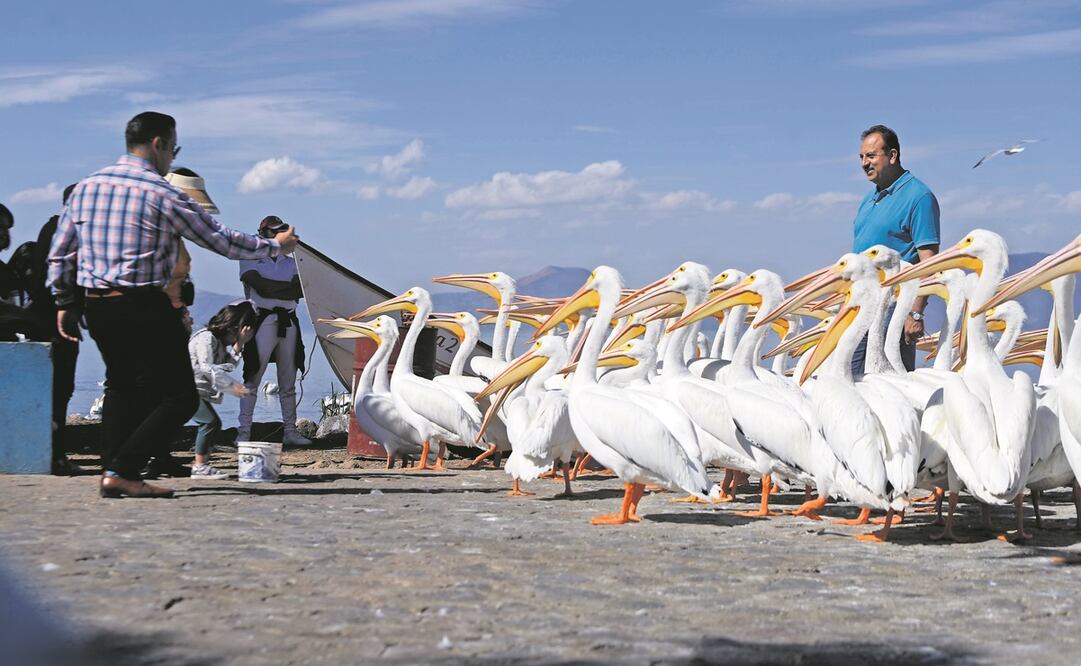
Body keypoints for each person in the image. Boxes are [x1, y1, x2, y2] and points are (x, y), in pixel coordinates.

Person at [47, 111, 300, 498]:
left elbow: (61, 252)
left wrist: (64, 300)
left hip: (96, 305)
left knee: (120, 384)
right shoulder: (160, 192)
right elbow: (219, 239)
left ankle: (111, 470)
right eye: (173, 148)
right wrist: (274, 247)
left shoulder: (87, 187)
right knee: (180, 395)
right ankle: (123, 468)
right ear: (159, 144)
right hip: (143, 302)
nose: (170, 157)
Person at [851, 124, 940, 373]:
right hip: (862, 306)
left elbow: (929, 260)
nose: (864, 163)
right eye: (861, 157)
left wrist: (916, 313)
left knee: (890, 381)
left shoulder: (918, 197)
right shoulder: (869, 199)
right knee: (854, 379)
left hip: (893, 307)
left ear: (892, 156)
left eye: (871, 156)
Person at [236, 215, 311, 447]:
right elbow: (261, 286)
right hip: (262, 320)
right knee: (253, 378)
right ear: (265, 234)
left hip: (287, 320)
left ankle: (290, 430)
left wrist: (277, 290)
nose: (280, 236)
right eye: (275, 232)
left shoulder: (291, 262)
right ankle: (244, 432)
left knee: (288, 381)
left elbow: (299, 289)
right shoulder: (250, 257)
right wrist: (283, 289)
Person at [188, 301, 255, 479]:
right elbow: (207, 368)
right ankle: (200, 466)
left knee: (211, 424)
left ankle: (202, 464)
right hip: (186, 390)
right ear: (232, 328)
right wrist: (232, 387)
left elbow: (228, 366)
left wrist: (239, 344)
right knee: (209, 423)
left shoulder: (217, 342)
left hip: (196, 390)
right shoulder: (206, 338)